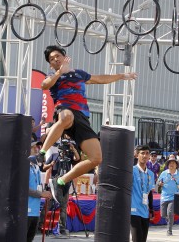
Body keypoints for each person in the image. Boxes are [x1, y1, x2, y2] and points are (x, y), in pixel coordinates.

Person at [39, 45, 137, 201]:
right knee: (66, 117)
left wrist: (121, 76)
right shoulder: (53, 75)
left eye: (57, 56)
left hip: (82, 116)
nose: (55, 59)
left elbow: (99, 79)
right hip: (64, 109)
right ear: (50, 65)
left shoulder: (79, 74)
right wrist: (59, 72)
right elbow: (44, 85)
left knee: (96, 158)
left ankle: (60, 181)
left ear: (65, 57)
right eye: (51, 59)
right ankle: (41, 154)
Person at [40, 138, 80, 237]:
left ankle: (62, 227)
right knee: (49, 205)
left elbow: (77, 159)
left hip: (66, 184)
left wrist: (73, 149)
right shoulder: (54, 156)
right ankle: (40, 224)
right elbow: (44, 167)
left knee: (63, 206)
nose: (64, 151)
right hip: (54, 183)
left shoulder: (69, 157)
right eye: (63, 149)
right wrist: (50, 164)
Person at [27, 141, 52, 242]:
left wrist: (45, 193)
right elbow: (23, 189)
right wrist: (41, 194)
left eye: (38, 147)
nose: (37, 149)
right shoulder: (24, 166)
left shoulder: (36, 167)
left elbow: (37, 186)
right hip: (25, 211)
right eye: (34, 147)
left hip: (35, 210)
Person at [130, 145, 155, 242]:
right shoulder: (131, 171)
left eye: (147, 153)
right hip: (133, 210)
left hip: (145, 211)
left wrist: (151, 209)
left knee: (143, 239)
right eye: (142, 153)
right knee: (137, 239)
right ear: (136, 155)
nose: (145, 155)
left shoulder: (151, 174)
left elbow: (149, 193)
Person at [157, 157, 179, 236]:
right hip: (164, 196)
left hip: (174, 197)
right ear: (167, 165)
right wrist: (160, 183)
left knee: (170, 213)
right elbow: (158, 182)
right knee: (163, 215)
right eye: (170, 163)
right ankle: (169, 219)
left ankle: (169, 230)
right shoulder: (164, 173)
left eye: (173, 163)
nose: (171, 164)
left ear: (176, 165)